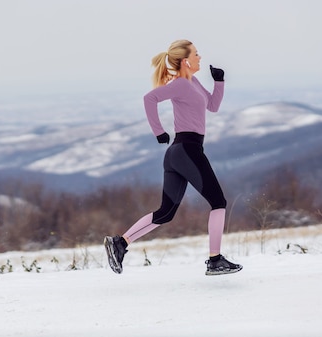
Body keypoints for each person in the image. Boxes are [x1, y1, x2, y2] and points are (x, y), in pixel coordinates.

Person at [104, 39, 242, 276]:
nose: (200, 57)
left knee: (166, 213)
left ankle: (120, 243)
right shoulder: (180, 84)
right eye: (196, 54)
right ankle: (215, 260)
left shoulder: (194, 82)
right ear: (186, 60)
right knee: (218, 202)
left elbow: (212, 106)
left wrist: (219, 81)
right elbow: (150, 98)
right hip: (187, 150)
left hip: (179, 153)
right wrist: (158, 131)